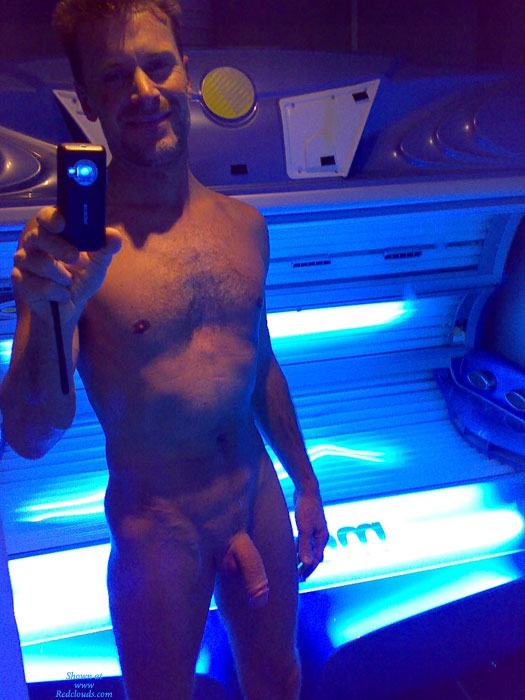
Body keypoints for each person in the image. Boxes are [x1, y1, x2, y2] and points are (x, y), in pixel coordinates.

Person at [0, 1, 329, 698]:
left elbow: (261, 363)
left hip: (256, 492)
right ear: (86, 97)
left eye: (158, 65)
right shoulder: (74, 252)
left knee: (281, 678)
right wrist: (53, 310)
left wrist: (304, 481)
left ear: (187, 69)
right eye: (115, 76)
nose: (144, 91)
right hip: (159, 526)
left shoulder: (245, 226)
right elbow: (30, 436)